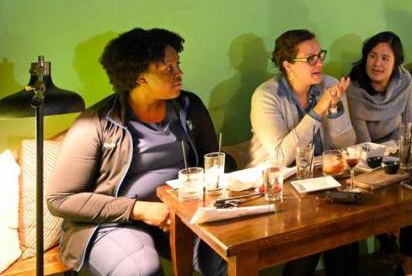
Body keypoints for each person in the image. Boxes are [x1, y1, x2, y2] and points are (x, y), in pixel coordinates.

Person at [47, 28, 226, 276]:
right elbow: (60, 199)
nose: (179, 73)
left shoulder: (189, 106)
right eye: (168, 68)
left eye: (178, 64)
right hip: (113, 223)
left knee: (226, 259)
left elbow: (211, 163)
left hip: (180, 214)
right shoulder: (96, 123)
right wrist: (140, 210)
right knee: (141, 270)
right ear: (140, 77)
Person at [249, 29, 357, 276]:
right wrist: (318, 110)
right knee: (318, 230)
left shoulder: (329, 85)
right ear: (288, 65)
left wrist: (335, 108)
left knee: (347, 225)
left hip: (319, 180)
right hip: (275, 187)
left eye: (320, 55)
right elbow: (281, 157)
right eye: (310, 59)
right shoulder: (266, 96)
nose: (319, 62)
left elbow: (347, 142)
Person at [346, 31, 412, 144]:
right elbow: (363, 143)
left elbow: (409, 126)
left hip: (399, 148)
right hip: (368, 154)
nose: (377, 63)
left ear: (395, 64)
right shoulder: (353, 88)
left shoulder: (404, 80)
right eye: (372, 56)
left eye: (385, 58)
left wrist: (399, 152)